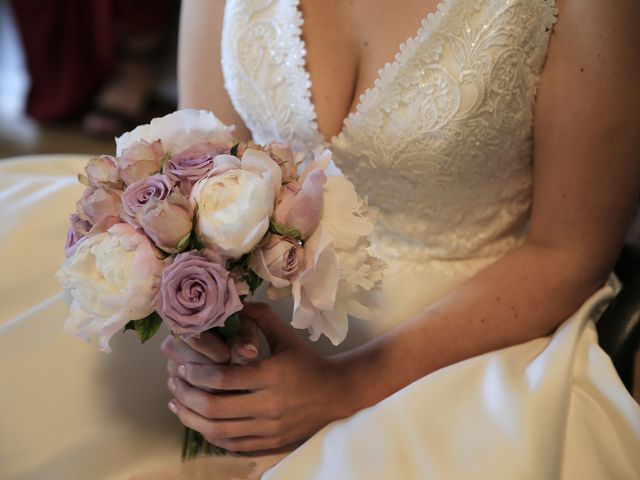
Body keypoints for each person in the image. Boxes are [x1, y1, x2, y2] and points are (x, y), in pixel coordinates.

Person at [161, 0, 640, 477]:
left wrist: (342, 387)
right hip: (263, 325)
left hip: (469, 340)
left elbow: (568, 255)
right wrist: (209, 338)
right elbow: (202, 171)